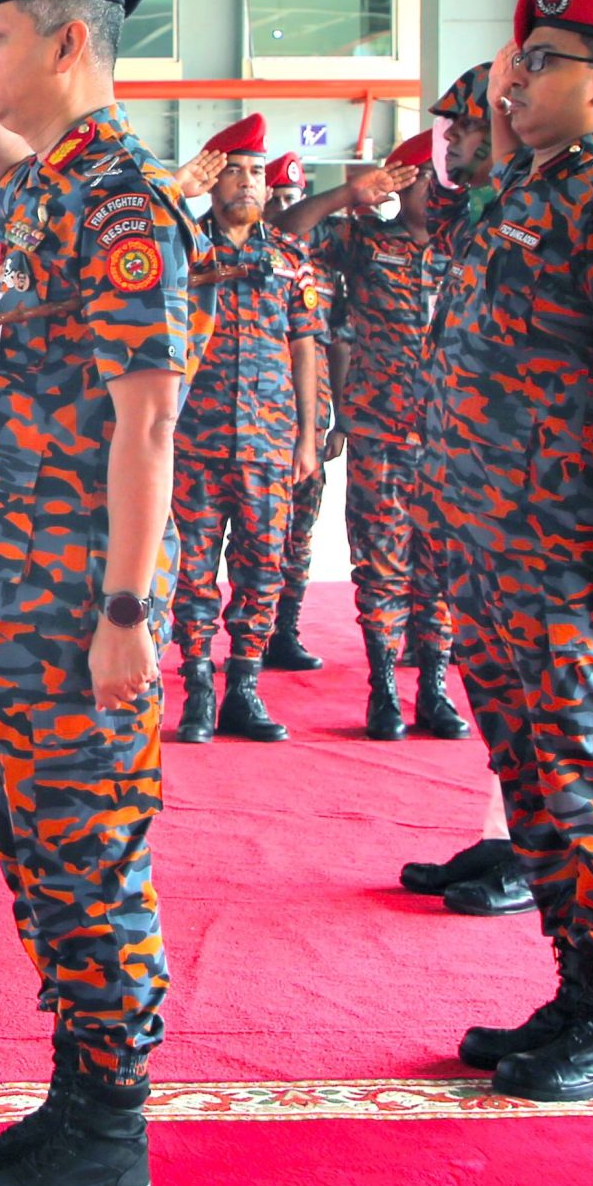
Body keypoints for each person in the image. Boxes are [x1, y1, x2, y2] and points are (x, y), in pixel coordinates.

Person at [0, 0, 195, 1186]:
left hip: (80, 605)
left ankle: (110, 1132)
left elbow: (148, 418)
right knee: (38, 854)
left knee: (90, 858)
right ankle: (76, 1092)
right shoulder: (38, 189)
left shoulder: (122, 200)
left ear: (71, 40)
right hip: (1, 595)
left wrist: (128, 611)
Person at [435, 0, 593, 1102]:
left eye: (542, 64)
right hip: (493, 550)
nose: (516, 78)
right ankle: (573, 988)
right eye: (516, 58)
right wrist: (493, 107)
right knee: (530, 774)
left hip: (569, 552)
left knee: (590, 772)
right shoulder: (526, 191)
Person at [275, 132, 470, 747]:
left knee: (439, 569)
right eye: (422, 181)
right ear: (400, 184)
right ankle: (384, 690)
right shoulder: (363, 241)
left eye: (441, 182)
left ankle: (433, 690)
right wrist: (346, 195)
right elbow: (286, 233)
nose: (435, 192)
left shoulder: (469, 244)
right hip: (381, 433)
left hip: (449, 438)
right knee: (381, 564)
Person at [397, 62, 535, 918]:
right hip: (476, 499)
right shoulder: (478, 216)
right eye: (452, 128)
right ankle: (515, 834)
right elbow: (425, 213)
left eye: (472, 128)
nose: (458, 143)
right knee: (507, 699)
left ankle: (537, 854)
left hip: (541, 510)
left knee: (554, 709)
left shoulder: (549, 207)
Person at [168, 113, 325, 744]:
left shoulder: (289, 257)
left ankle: (246, 687)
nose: (249, 183)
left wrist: (309, 436)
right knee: (193, 570)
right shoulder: (182, 247)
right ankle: (198, 688)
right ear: (212, 179)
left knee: (264, 566)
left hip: (268, 440)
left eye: (257, 172)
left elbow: (305, 345)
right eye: (234, 171)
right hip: (192, 441)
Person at [261, 151, 333, 672]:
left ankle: (285, 630)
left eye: (294, 196)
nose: (286, 207)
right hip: (249, 421)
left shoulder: (328, 258)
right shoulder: (258, 254)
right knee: (242, 540)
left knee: (299, 534)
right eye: (278, 198)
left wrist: (334, 422)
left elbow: (340, 340)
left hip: (310, 421)